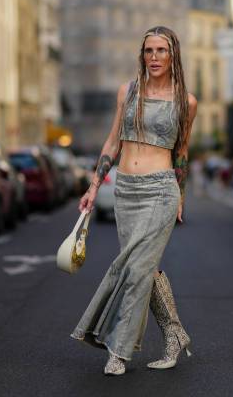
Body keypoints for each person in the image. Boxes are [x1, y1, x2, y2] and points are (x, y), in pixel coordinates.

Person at [71, 26, 198, 376]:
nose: (154, 57)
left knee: (137, 269)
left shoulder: (186, 101)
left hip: (160, 190)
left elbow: (182, 152)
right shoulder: (127, 92)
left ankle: (119, 351)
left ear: (173, 55)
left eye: (161, 50)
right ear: (141, 54)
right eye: (148, 50)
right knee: (140, 267)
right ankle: (175, 334)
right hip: (126, 190)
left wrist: (180, 195)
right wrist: (94, 186)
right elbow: (112, 142)